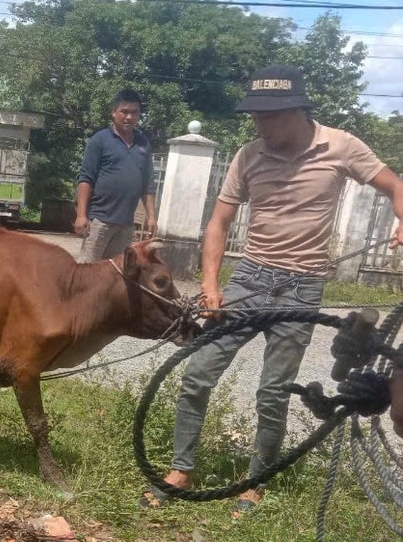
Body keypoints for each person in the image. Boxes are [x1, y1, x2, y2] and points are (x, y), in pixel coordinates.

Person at [141, 65, 403, 514]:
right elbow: (219, 222)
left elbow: (394, 186)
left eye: (268, 117)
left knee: (272, 391)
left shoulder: (341, 146)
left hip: (302, 289)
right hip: (249, 281)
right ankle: (181, 469)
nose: (259, 125)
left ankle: (255, 481)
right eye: (255, 117)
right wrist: (209, 284)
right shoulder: (247, 155)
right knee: (197, 374)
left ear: (296, 110)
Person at [74, 89, 157, 263]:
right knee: (87, 271)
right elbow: (85, 179)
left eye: (134, 112)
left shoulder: (143, 144)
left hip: (126, 224)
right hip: (99, 220)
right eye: (124, 111)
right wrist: (81, 215)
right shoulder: (100, 140)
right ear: (113, 112)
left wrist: (151, 217)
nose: (129, 117)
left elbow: (147, 184)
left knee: (115, 274)